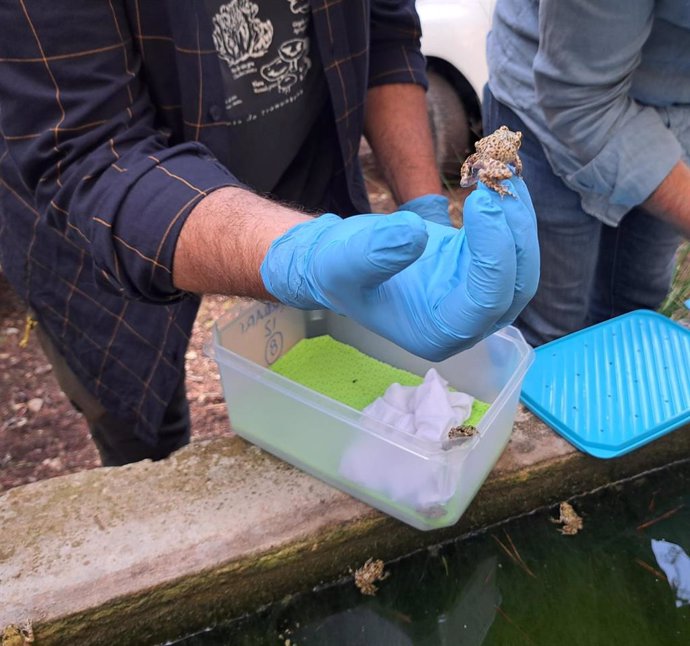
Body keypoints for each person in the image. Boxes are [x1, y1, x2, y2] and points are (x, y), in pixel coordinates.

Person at [0, 1, 538, 466]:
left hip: (302, 179)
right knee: (137, 413)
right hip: (97, 224)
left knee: (317, 374)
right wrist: (299, 255)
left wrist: (423, 207)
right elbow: (91, 150)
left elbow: (386, 33)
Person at [484, 0, 690, 348]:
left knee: (636, 310)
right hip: (552, 107)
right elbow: (579, 102)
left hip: (675, 114)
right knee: (548, 329)